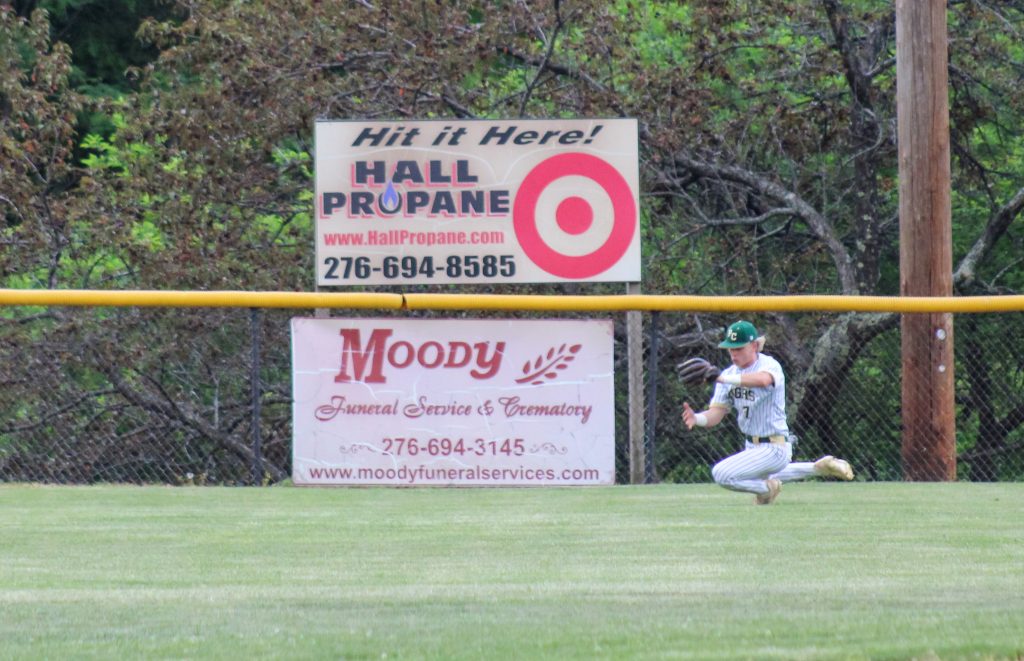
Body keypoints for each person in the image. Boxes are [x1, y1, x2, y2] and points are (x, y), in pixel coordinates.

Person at [681, 320, 854, 505]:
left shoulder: (769, 365)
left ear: (754, 346)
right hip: (752, 447)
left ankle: (767, 489)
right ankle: (820, 467)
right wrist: (696, 418)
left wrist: (723, 378)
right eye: (730, 348)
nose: (733, 353)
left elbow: (763, 380)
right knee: (761, 474)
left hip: (774, 446)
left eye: (739, 348)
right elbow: (716, 413)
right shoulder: (729, 373)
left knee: (721, 474)